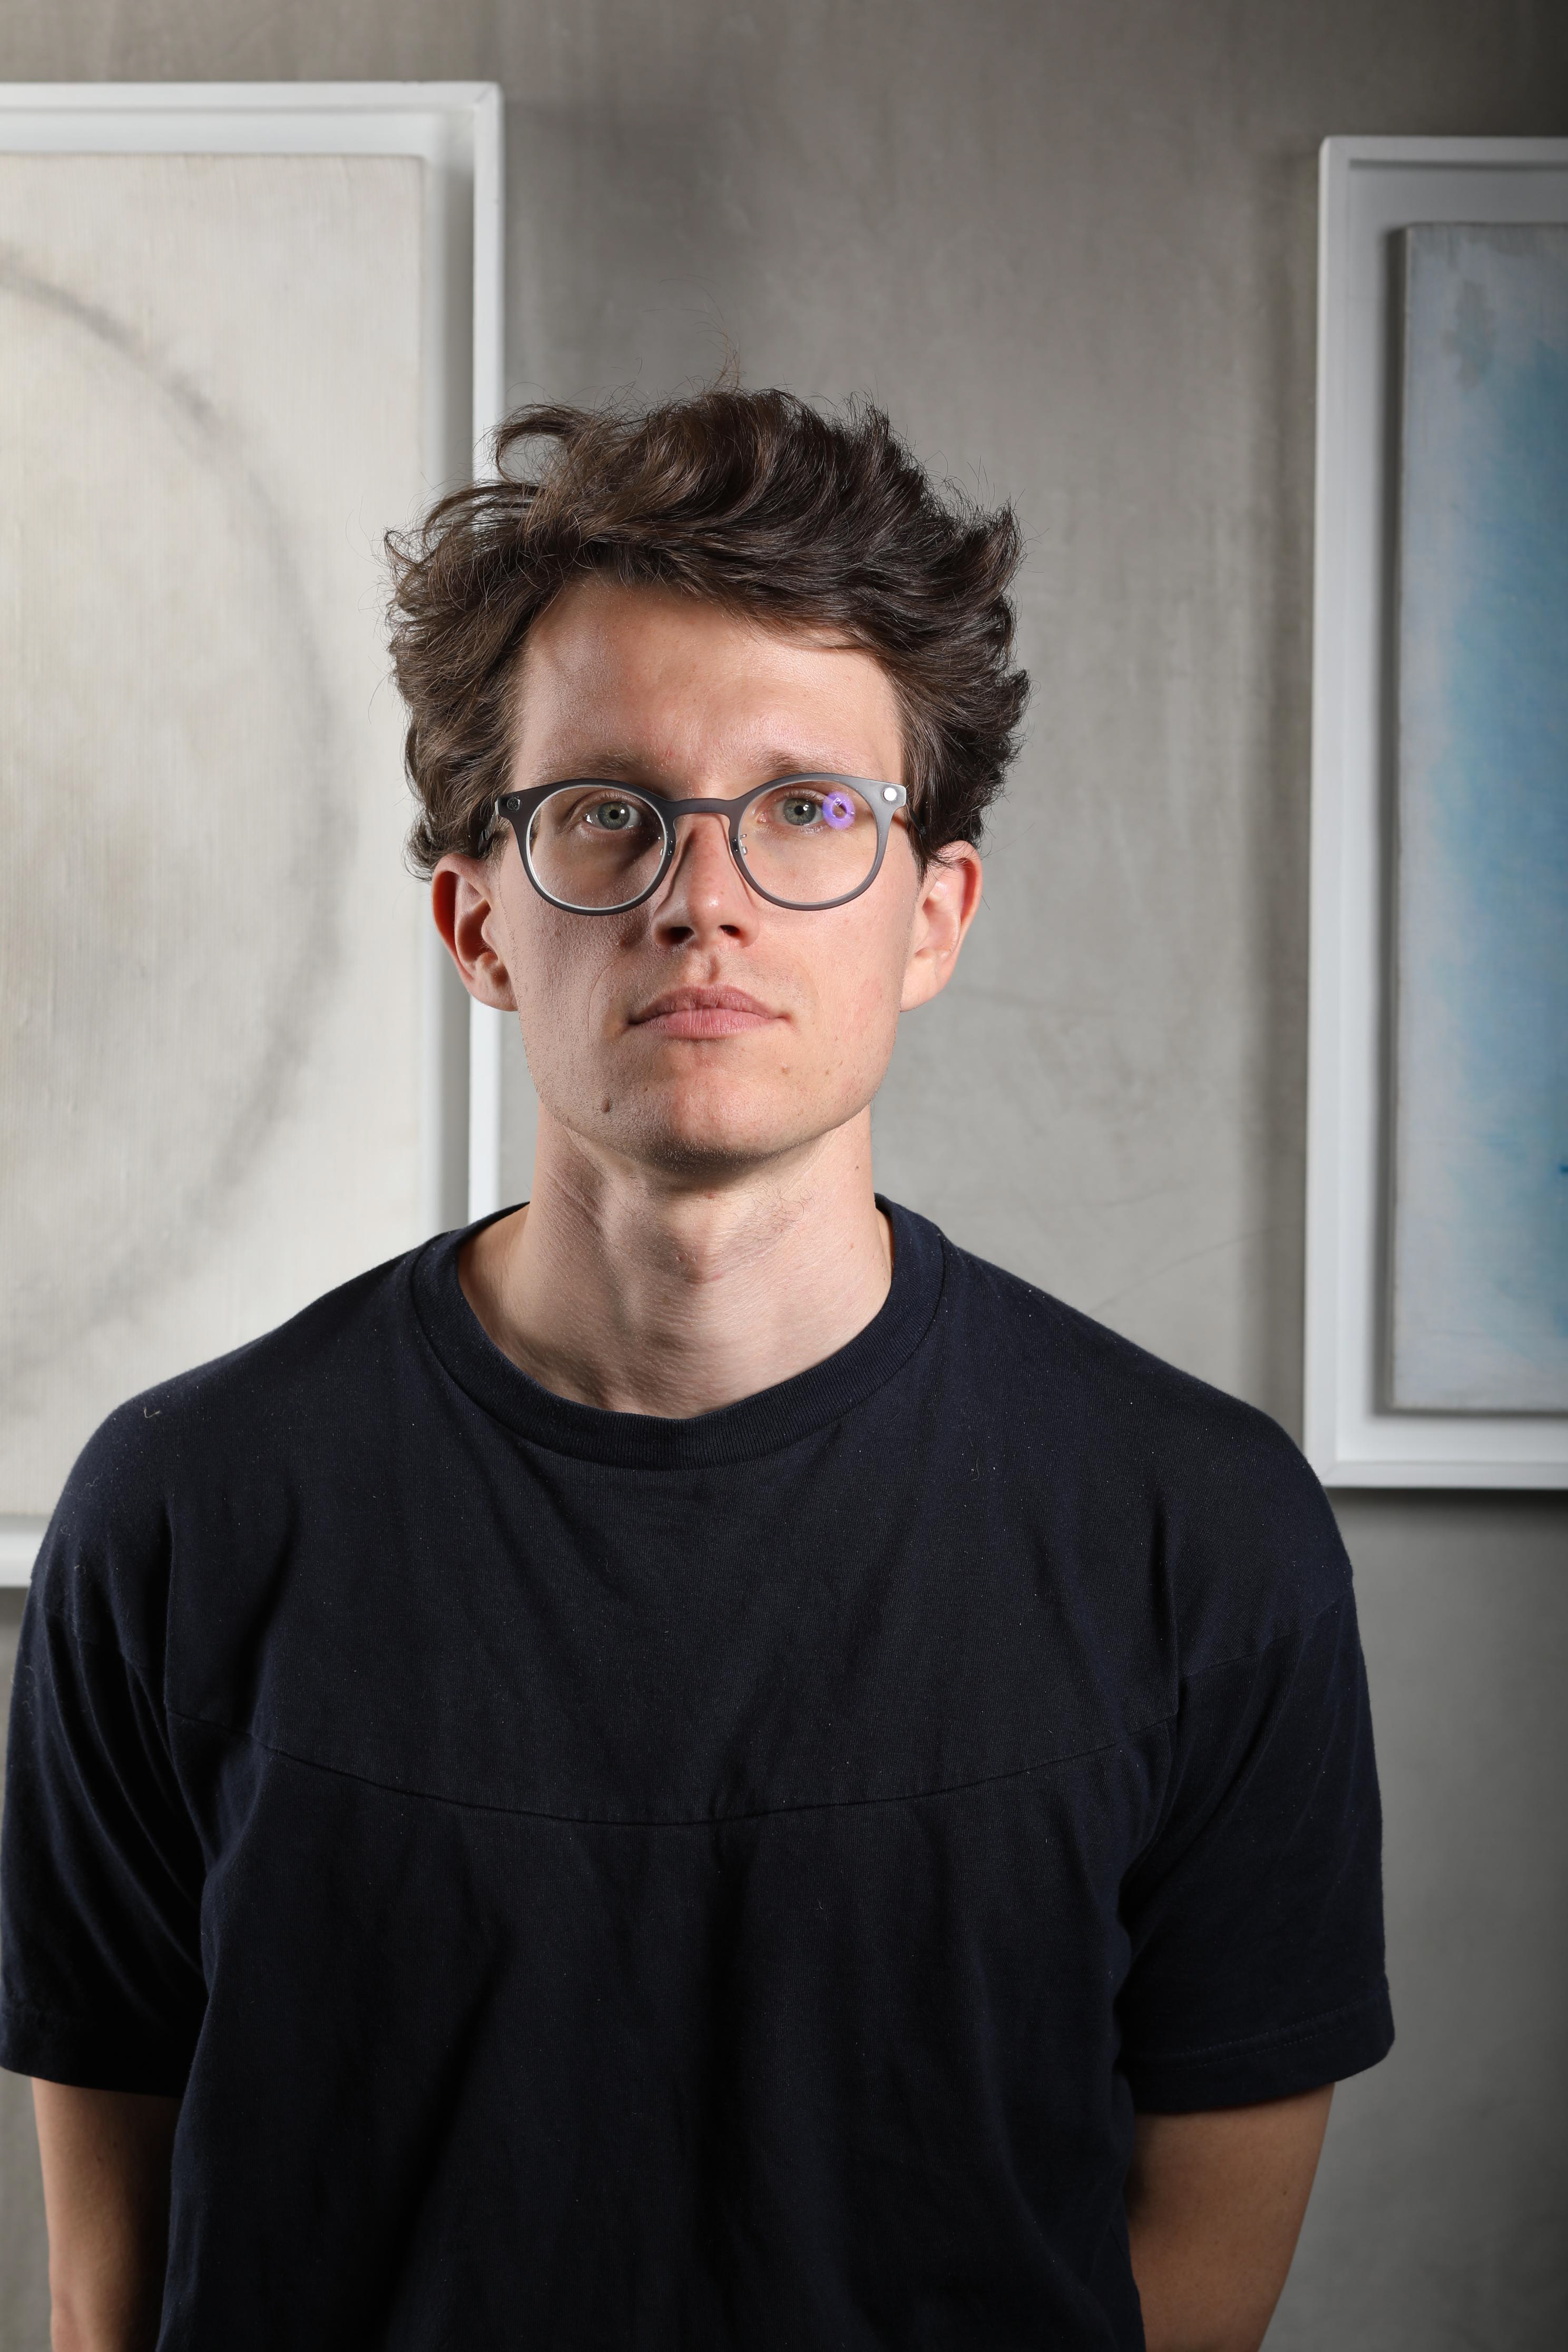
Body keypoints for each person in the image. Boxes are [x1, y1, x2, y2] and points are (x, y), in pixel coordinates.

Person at [1, 387, 1391, 2352]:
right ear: (478, 920)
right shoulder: (182, 1514)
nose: (702, 895)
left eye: (808, 809)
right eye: (607, 810)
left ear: (935, 915)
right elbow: (112, 2290)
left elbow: (1194, 2281)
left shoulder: (1205, 1536)